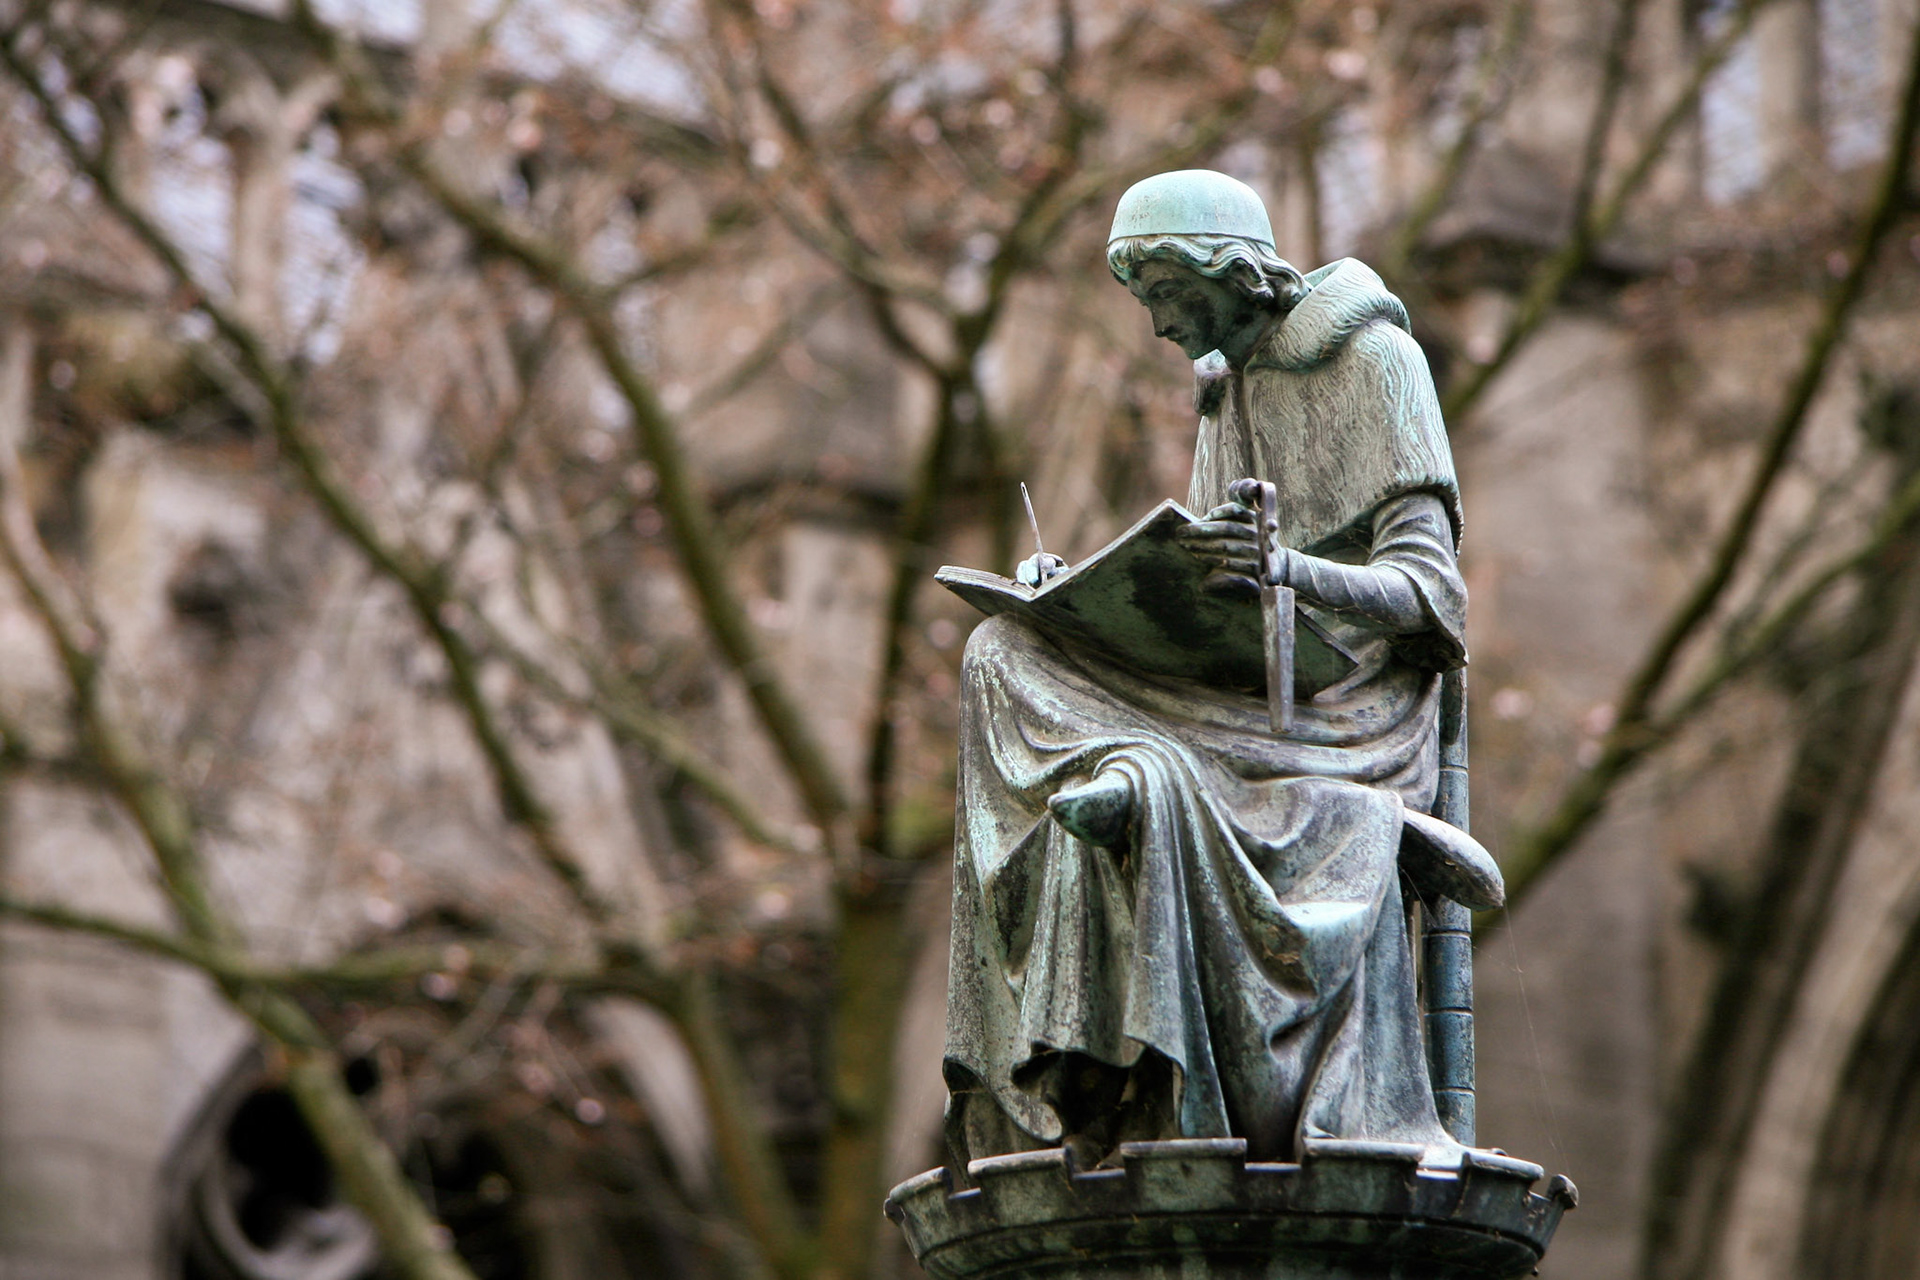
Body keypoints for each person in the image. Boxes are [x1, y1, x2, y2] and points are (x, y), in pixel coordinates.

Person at [941, 170, 1503, 1175]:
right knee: (1001, 651)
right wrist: (1080, 595)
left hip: (1351, 703)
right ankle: (1122, 775)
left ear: (1232, 272)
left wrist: (1290, 569)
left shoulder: (1376, 358)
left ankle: (1136, 782)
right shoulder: (1223, 383)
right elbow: (1213, 577)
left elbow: (1435, 601)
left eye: (1165, 292)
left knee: (1153, 775)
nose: (1157, 324)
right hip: (1243, 683)